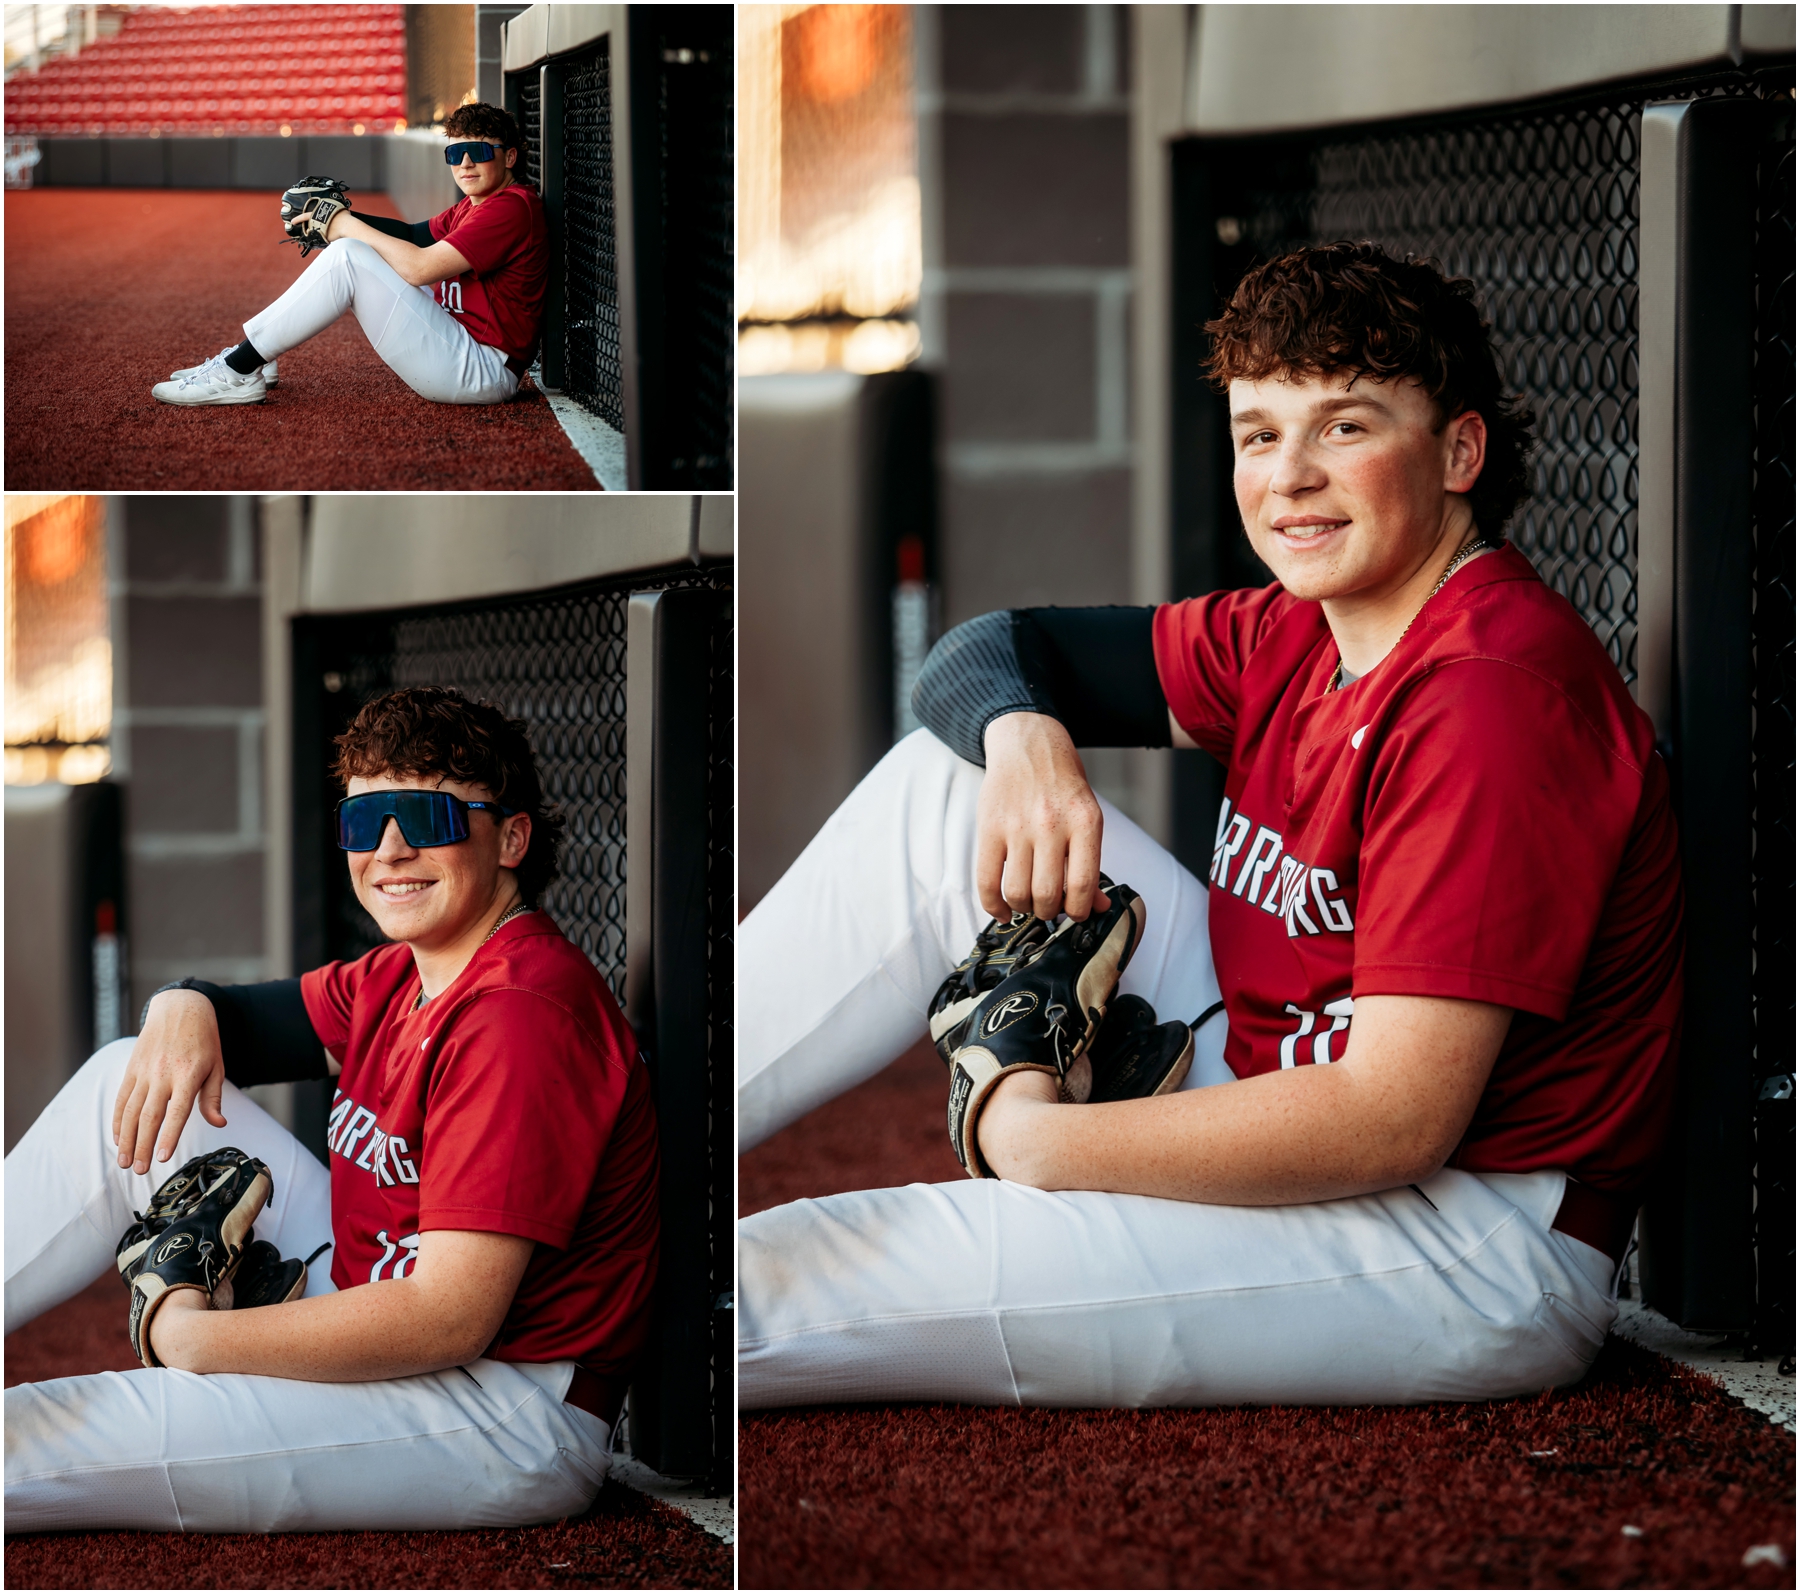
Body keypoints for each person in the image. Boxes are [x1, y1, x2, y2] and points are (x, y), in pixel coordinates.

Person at [738, 242, 1684, 1412]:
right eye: (1258, 432)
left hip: (1468, 1235)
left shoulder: (1491, 690)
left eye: (1344, 426)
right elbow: (986, 651)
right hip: (1277, 1066)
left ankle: (604, 1334)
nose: (1289, 475)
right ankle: (627, 1164)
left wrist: (1038, 1149)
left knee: (808, 1272)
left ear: (1458, 452)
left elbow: (1396, 1118)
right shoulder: (1300, 624)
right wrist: (1026, 741)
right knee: (942, 783)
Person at [5, 687, 660, 1533]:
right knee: (121, 1077)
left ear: (512, 838)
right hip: (379, 1302)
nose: (388, 850)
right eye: (364, 822)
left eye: (425, 817)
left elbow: (450, 1317)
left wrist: (195, 1345)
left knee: (37, 1436)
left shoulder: (521, 1009)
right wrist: (181, 1000)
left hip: (502, 1411)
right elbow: (237, 1022)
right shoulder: (405, 969)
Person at [151, 102, 547, 407]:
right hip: (461, 337)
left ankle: (239, 370)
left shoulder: (510, 207)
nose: (464, 163)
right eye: (454, 153)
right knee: (350, 247)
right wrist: (340, 217)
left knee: (348, 257)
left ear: (509, 157)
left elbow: (420, 268)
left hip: (482, 367)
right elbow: (412, 234)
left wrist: (340, 223)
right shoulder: (475, 203)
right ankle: (257, 357)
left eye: (478, 151)